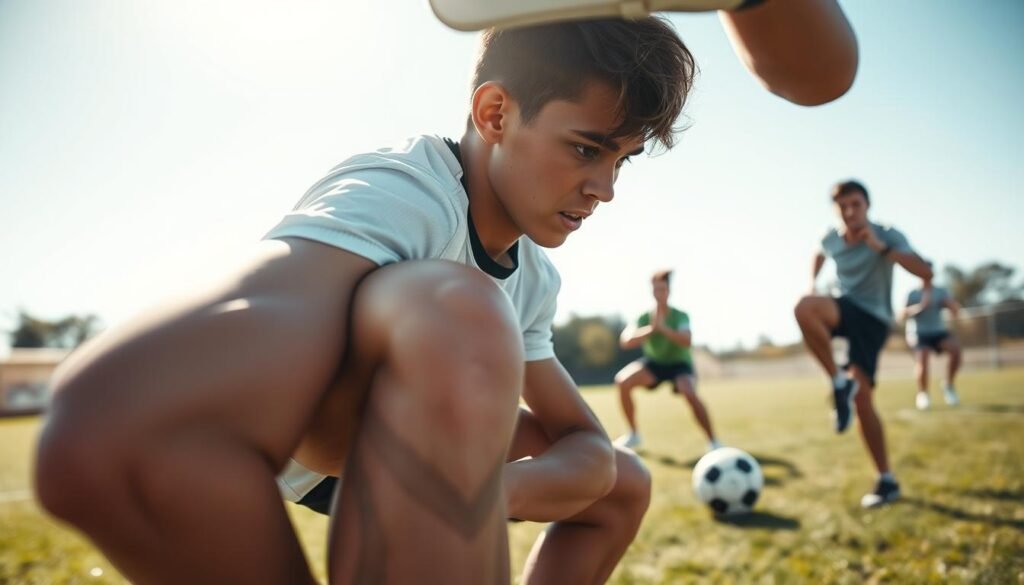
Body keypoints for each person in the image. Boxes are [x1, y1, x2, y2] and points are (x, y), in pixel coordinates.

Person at [34, 4, 859, 584]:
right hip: (318, 433)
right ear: (495, 112)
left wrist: (483, 499)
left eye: (622, 162)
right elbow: (120, 428)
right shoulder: (403, 189)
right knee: (460, 309)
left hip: (414, 442)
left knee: (625, 483)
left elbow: (590, 453)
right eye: (585, 149)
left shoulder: (533, 273)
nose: (604, 188)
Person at [794, 180, 933, 509]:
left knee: (864, 402)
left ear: (867, 206)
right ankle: (838, 381)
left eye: (856, 204)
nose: (850, 211)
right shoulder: (832, 238)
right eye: (843, 206)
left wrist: (881, 248)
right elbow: (818, 252)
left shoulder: (887, 234)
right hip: (845, 307)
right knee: (804, 306)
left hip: (873, 320)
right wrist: (812, 282)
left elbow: (925, 271)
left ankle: (886, 479)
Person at [613, 270, 722, 454]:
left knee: (688, 390)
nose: (658, 293)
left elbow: (686, 340)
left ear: (668, 291)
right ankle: (633, 434)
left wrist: (664, 330)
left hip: (679, 364)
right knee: (622, 381)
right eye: (655, 289)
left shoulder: (680, 316)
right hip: (655, 363)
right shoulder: (644, 317)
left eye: (662, 289)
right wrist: (652, 329)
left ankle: (714, 441)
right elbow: (626, 341)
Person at [902, 271, 963, 410]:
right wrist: (921, 306)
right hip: (919, 333)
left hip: (938, 332)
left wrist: (951, 305)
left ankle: (948, 385)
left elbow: (956, 311)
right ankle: (923, 394)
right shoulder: (913, 293)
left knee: (955, 349)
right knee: (923, 358)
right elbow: (901, 314)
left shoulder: (941, 291)